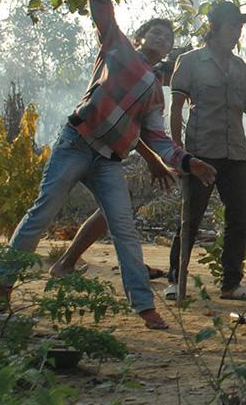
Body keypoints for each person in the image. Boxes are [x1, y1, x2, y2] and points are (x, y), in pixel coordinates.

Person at [0, 0, 217, 329]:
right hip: (75, 143)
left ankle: (144, 307)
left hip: (109, 160)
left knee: (125, 229)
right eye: (156, 31)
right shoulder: (118, 47)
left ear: (169, 50)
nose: (162, 37)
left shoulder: (154, 90)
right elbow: (101, 8)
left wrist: (185, 161)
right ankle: (3, 284)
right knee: (42, 213)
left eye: (169, 35)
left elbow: (158, 139)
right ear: (143, 35)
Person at [49, 53, 186, 280]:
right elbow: (130, 128)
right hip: (94, 151)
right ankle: (68, 263)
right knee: (112, 212)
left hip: (109, 152)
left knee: (113, 213)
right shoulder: (147, 82)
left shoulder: (151, 85)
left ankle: (70, 263)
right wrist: (155, 160)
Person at [167, 0, 246, 301]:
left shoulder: (240, 66)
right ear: (215, 27)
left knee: (240, 217)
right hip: (201, 152)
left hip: (234, 152)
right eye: (233, 25)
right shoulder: (191, 61)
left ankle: (231, 284)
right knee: (191, 218)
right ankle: (175, 280)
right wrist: (178, 153)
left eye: (239, 26)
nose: (237, 31)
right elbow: (176, 108)